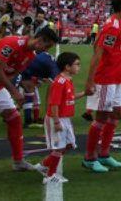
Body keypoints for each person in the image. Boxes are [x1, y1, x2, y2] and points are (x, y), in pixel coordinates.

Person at [0, 26, 59, 172]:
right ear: (40, 39)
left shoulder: (30, 55)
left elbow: (14, 73)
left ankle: (18, 161)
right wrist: (14, 92)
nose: (46, 50)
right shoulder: (12, 43)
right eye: (47, 46)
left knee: (14, 118)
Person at [82, 0, 121, 173]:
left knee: (115, 115)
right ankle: (90, 157)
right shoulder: (113, 26)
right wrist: (90, 81)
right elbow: (98, 52)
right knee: (102, 118)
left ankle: (105, 154)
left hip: (117, 78)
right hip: (106, 79)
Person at [39, 52, 85, 185]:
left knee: (69, 145)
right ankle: (49, 175)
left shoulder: (68, 80)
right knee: (59, 148)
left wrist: (85, 93)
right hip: (58, 118)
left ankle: (44, 164)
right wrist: (57, 121)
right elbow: (54, 103)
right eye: (77, 64)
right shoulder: (60, 82)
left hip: (65, 118)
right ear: (67, 66)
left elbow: (69, 98)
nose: (79, 67)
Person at [20, 50, 59, 127]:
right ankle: (32, 118)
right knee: (33, 98)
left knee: (28, 95)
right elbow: (51, 92)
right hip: (21, 70)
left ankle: (29, 119)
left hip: (22, 68)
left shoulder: (46, 60)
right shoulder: (55, 69)